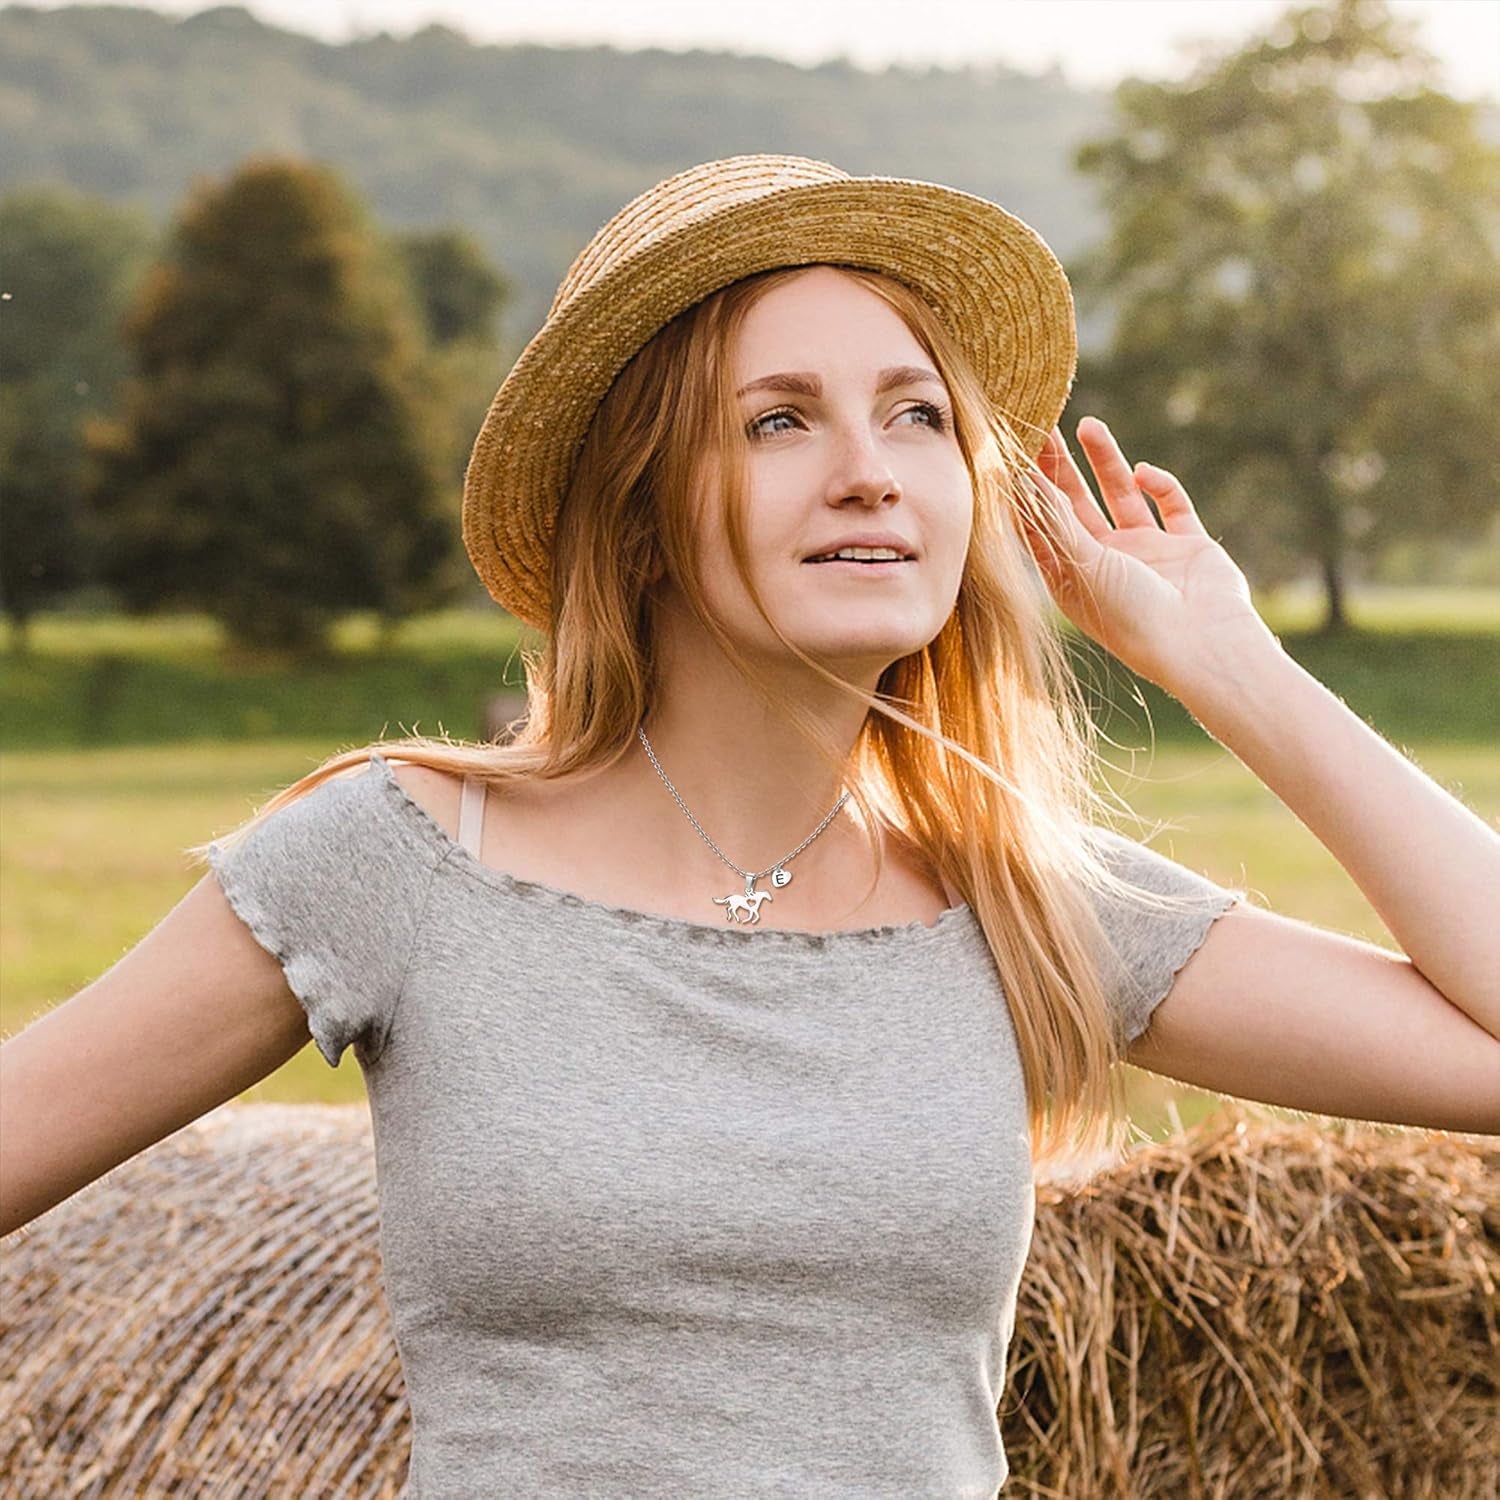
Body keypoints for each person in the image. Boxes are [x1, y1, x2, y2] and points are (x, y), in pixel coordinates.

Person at [3, 154, 1496, 1497]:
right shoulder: (398, 858)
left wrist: (1237, 670)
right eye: (778, 420)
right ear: (644, 511)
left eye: (916, 417)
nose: (870, 466)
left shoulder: (1026, 897)